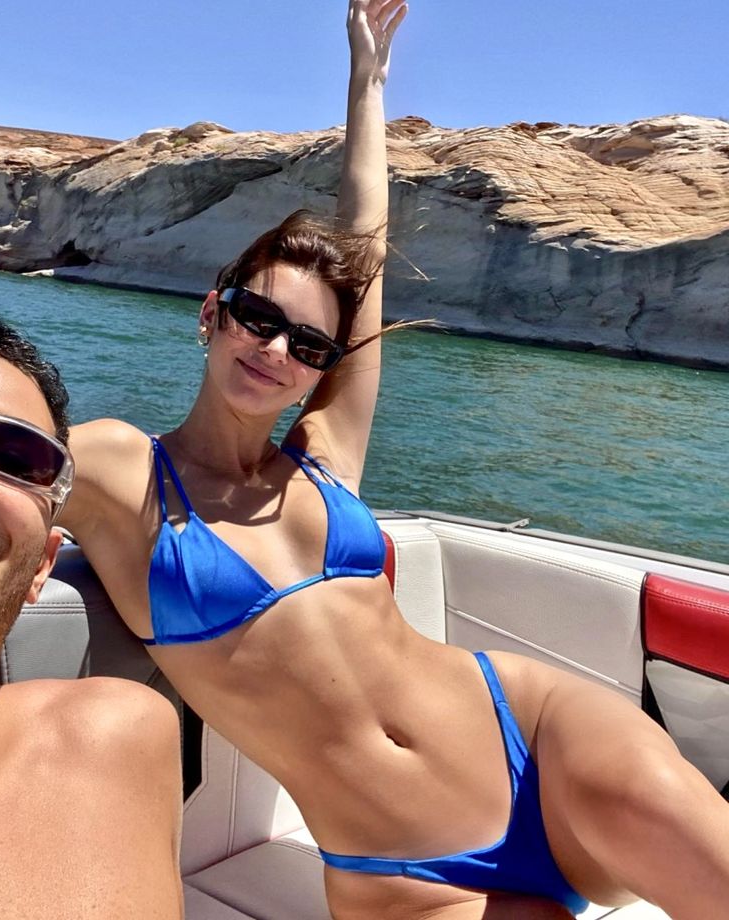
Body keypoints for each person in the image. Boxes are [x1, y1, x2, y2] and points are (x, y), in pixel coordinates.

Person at [58, 1, 729, 918]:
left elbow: (366, 242)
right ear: (212, 313)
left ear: (324, 368)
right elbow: (15, 457)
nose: (276, 349)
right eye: (257, 318)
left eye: (308, 344)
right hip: (400, 872)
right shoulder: (120, 468)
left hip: (538, 736)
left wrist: (367, 82)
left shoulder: (325, 455)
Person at [0, 317, 184, 920]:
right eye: (258, 319)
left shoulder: (114, 734)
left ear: (43, 564)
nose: (277, 349)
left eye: (15, 456)